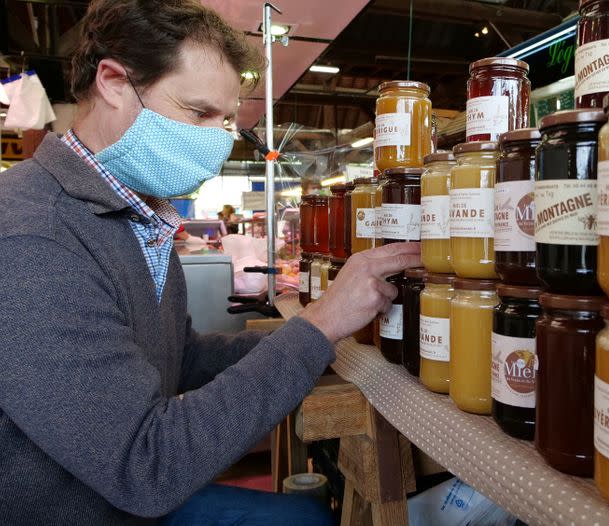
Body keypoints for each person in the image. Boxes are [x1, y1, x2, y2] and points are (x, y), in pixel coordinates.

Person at [0, 1, 420, 525]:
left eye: (225, 122)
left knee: (307, 515)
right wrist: (320, 324)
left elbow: (184, 357)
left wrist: (330, 334)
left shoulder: (132, 212)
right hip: (89, 508)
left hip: (122, 498)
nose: (216, 142)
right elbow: (146, 465)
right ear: (111, 81)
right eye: (199, 113)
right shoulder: (33, 239)